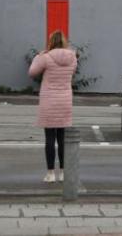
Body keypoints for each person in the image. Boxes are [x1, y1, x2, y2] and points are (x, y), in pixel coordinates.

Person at [28, 30, 77, 183]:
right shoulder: (72, 57)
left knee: (49, 138)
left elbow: (32, 72)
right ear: (63, 42)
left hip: (49, 100)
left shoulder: (46, 57)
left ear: (51, 42)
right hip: (65, 100)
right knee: (62, 138)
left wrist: (38, 56)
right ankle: (63, 172)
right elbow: (72, 72)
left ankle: (50, 174)